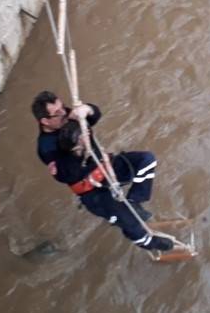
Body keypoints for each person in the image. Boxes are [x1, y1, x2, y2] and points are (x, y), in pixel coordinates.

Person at [30, 90, 176, 253]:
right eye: (57, 113)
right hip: (92, 190)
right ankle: (148, 242)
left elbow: (94, 116)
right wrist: (77, 150)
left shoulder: (67, 115)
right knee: (129, 221)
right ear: (45, 121)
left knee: (146, 160)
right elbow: (66, 175)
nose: (64, 112)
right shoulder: (46, 147)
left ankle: (135, 201)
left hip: (107, 166)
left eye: (62, 107)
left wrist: (88, 110)